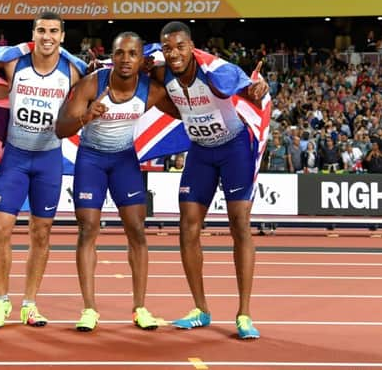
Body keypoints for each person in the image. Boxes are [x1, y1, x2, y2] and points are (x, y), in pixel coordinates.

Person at [55, 31, 179, 332]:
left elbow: (188, 110)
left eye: (132, 54)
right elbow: (60, 129)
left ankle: (140, 308)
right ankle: (89, 309)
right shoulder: (92, 84)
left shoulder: (151, 90)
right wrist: (85, 117)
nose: (125, 59)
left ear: (141, 60)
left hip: (124, 160)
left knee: (137, 230)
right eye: (120, 53)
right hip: (91, 160)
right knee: (87, 229)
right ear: (112, 56)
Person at [0, 11, 86, 329]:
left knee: (42, 232)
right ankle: (1, 300)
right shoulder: (13, 62)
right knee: (0, 229)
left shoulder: (74, 70)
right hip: (16, 159)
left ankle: (30, 304)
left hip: (48, 160)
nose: (47, 36)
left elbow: (100, 85)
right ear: (33, 34)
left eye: (53, 31)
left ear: (62, 36)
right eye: (41, 30)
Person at [155, 21, 269, 339]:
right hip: (201, 153)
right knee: (188, 226)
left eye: (180, 46)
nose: (174, 53)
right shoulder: (163, 74)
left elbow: (252, 92)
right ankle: (201, 309)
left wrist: (259, 89)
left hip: (234, 150)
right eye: (168, 48)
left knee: (239, 225)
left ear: (192, 47)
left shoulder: (217, 74)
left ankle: (244, 313)